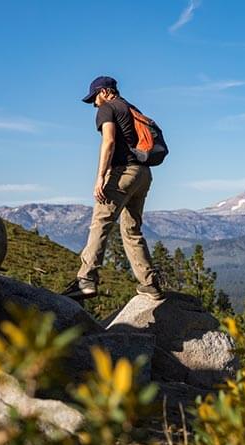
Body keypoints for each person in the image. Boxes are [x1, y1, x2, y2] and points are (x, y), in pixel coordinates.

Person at [62, 76, 165, 301]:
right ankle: (150, 283)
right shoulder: (130, 108)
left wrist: (100, 177)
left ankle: (86, 279)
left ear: (105, 92)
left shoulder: (107, 108)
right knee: (131, 229)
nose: (94, 104)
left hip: (124, 173)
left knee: (101, 222)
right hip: (143, 173)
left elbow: (108, 141)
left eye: (94, 98)